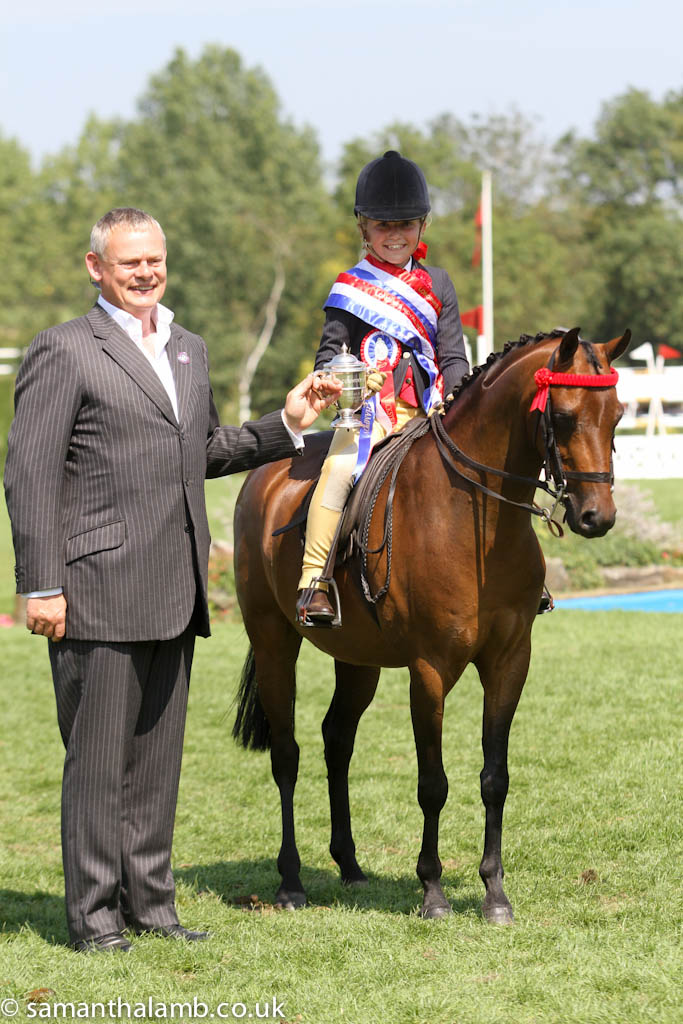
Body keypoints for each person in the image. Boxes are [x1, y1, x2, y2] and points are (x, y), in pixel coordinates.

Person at [3, 207, 341, 953]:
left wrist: (285, 424)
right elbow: (27, 474)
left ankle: (151, 908)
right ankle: (93, 921)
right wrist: (40, 583)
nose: (145, 272)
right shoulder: (63, 350)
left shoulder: (187, 349)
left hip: (174, 587)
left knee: (155, 768)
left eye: (154, 259)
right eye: (129, 263)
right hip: (94, 587)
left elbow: (206, 451)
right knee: (97, 767)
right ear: (96, 267)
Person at [295, 151, 470, 625]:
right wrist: (353, 380)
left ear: (422, 226)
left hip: (432, 413)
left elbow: (452, 354)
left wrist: (456, 400)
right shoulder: (350, 286)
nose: (395, 236)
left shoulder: (438, 283)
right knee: (336, 472)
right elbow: (326, 359)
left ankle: (519, 577)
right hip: (371, 418)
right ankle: (315, 580)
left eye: (406, 225)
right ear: (363, 229)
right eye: (382, 226)